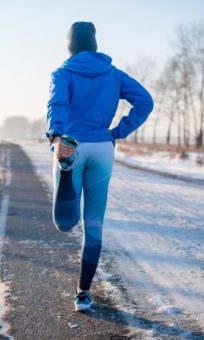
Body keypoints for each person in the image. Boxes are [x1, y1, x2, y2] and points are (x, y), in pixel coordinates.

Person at [46, 21, 153, 312]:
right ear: (94, 44)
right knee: (94, 224)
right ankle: (83, 293)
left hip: (71, 144)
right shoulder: (114, 74)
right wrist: (118, 131)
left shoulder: (63, 72)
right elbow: (145, 101)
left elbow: (58, 105)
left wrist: (56, 137)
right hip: (103, 149)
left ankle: (66, 170)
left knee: (66, 223)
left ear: (70, 44)